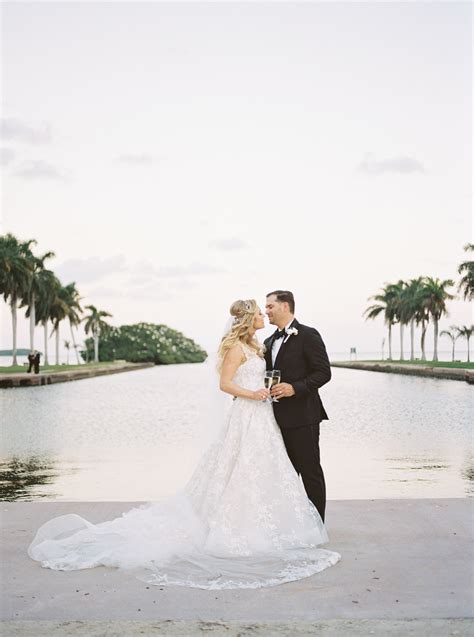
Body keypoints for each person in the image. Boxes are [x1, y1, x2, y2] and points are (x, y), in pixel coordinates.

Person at [27, 299, 340, 589]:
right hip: (248, 413)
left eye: (267, 309)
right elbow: (225, 384)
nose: (264, 315)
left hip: (266, 416)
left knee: (269, 468)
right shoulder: (237, 348)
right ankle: (235, 524)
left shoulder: (260, 345)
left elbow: (305, 372)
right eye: (260, 312)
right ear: (248, 319)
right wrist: (252, 394)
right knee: (239, 467)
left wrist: (269, 391)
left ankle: (285, 523)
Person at [264, 290, 330, 522]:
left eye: (270, 306)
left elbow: (323, 373)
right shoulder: (268, 341)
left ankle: (317, 525)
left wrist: (295, 388)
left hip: (304, 416)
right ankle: (293, 524)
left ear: (285, 306)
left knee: (310, 471)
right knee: (285, 475)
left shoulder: (308, 335)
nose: (266, 311)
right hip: (273, 420)